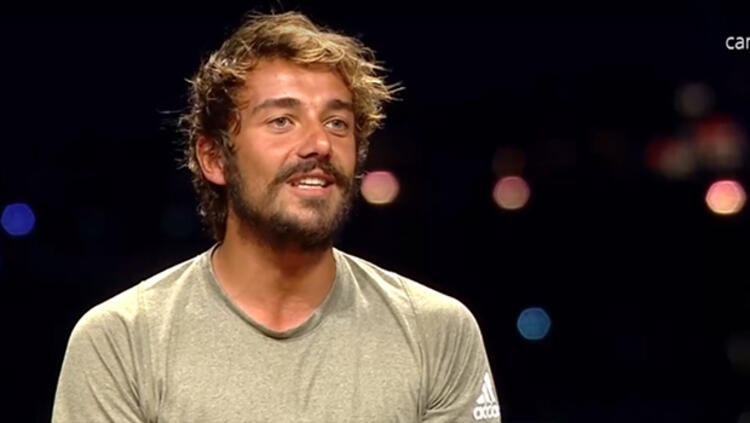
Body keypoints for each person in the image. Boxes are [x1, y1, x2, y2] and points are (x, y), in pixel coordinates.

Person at [52, 11, 502, 423]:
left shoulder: (437, 332)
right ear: (214, 157)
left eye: (337, 123)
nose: (319, 144)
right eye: (282, 121)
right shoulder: (121, 342)